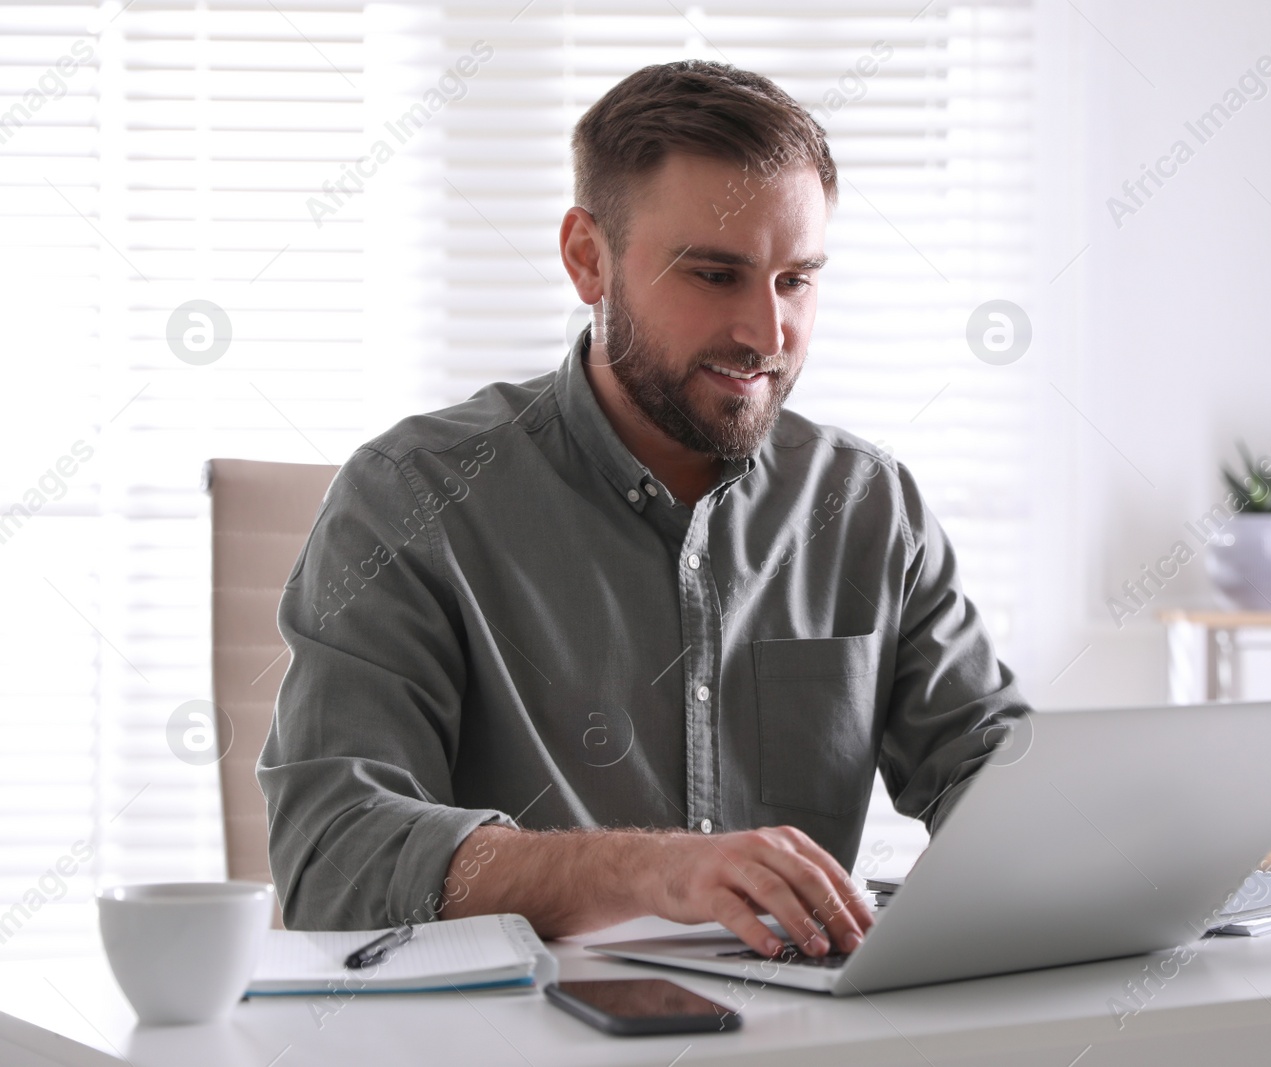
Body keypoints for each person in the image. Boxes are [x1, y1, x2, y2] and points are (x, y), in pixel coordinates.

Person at [259, 59, 1029, 960]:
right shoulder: (411, 495)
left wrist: (1155, 838)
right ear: (589, 259)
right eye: (714, 275)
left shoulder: (866, 505)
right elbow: (331, 857)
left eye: (795, 281)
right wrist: (651, 872)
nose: (766, 335)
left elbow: (998, 773)